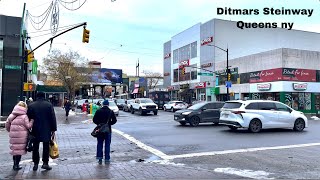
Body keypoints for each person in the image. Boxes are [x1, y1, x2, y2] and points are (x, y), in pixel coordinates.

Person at [27, 91, 57, 171]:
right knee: (46, 146)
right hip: (46, 128)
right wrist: (53, 129)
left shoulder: (31, 105)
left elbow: (28, 117)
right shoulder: (48, 105)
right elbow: (52, 117)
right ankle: (45, 163)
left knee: (35, 147)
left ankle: (35, 163)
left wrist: (29, 129)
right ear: (44, 96)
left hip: (35, 128)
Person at [5, 101, 34, 170]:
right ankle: (17, 165)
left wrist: (10, 130)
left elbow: (7, 124)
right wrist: (32, 121)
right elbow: (28, 126)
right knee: (19, 150)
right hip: (22, 136)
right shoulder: (24, 116)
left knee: (15, 150)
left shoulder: (11, 115)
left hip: (13, 135)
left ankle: (14, 164)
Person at [93, 99, 117, 164]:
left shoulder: (98, 111)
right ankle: (107, 159)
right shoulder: (110, 111)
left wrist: (99, 124)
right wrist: (109, 124)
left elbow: (94, 120)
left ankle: (99, 158)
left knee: (100, 143)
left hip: (100, 130)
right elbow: (114, 120)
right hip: (108, 130)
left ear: (102, 104)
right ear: (108, 105)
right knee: (107, 144)